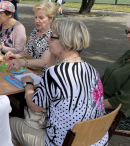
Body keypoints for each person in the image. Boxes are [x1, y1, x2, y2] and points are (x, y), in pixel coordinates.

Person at [10, 18, 108, 146]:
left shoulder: (55, 74)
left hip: (62, 142)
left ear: (65, 41)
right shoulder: (92, 70)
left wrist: (28, 85)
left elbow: (34, 107)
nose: (47, 39)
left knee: (11, 123)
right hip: (93, 140)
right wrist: (54, 54)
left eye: (52, 36)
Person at [101, 17, 130, 131]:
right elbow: (107, 76)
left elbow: (120, 101)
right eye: (127, 32)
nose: (128, 36)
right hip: (105, 102)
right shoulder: (129, 54)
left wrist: (90, 103)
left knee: (73, 113)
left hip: (125, 115)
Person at [6, 1, 56, 72]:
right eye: (35, 17)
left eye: (41, 18)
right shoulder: (35, 31)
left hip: (45, 76)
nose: (36, 21)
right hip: (30, 71)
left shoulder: (54, 36)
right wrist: (14, 55)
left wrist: (22, 62)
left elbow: (44, 62)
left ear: (50, 19)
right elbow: (27, 52)